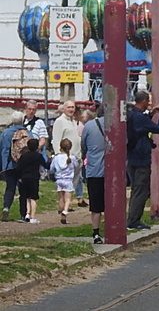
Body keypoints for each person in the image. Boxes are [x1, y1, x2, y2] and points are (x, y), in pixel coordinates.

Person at [126, 90, 159, 230]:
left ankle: (132, 218)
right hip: (141, 158)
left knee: (135, 189)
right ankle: (133, 220)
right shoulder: (140, 118)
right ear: (143, 101)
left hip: (131, 156)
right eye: (148, 101)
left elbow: (142, 123)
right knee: (141, 190)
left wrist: (152, 112)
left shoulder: (131, 114)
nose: (149, 103)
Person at [51, 101, 83, 208]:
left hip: (76, 157)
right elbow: (56, 140)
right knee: (65, 183)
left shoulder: (73, 121)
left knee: (73, 182)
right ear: (64, 109)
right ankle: (64, 205)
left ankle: (68, 204)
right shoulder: (59, 121)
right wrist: (58, 156)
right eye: (69, 107)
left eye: (73, 107)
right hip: (65, 158)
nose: (71, 109)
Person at [81, 107, 106, 244]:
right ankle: (113, 228)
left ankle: (96, 233)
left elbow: (83, 146)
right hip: (112, 172)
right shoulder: (116, 125)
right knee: (110, 202)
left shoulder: (89, 126)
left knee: (95, 205)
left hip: (94, 170)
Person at [0, 112, 27, 222]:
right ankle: (23, 214)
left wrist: (4, 165)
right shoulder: (27, 132)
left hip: (10, 165)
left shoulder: (6, 133)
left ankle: (6, 207)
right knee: (23, 190)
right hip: (23, 165)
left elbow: (3, 149)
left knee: (10, 187)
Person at [16, 138, 45, 224]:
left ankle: (27, 214)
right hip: (34, 178)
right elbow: (45, 165)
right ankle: (32, 217)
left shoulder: (24, 156)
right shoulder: (38, 156)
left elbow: (19, 167)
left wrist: (19, 177)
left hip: (24, 178)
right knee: (33, 198)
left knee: (26, 197)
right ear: (37, 147)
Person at [51, 138, 75, 225]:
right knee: (68, 199)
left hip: (59, 180)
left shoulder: (56, 158)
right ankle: (65, 211)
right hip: (68, 180)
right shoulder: (72, 158)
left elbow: (52, 169)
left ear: (60, 147)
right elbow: (75, 166)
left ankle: (61, 214)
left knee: (61, 198)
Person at [22, 100, 48, 174]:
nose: (31, 111)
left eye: (33, 109)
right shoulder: (21, 121)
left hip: (35, 151)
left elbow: (43, 139)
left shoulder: (40, 122)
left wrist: (35, 149)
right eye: (29, 109)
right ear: (26, 109)